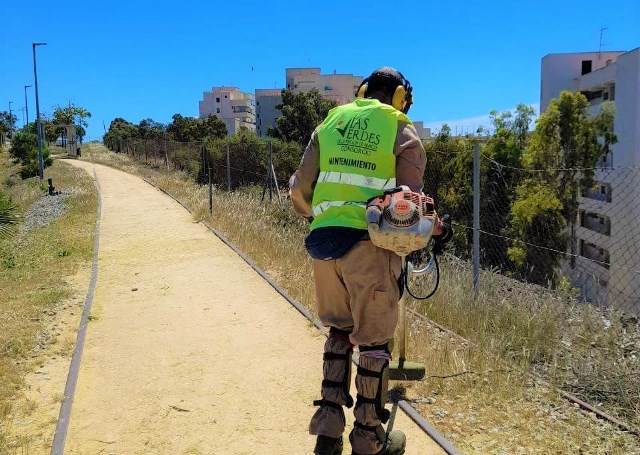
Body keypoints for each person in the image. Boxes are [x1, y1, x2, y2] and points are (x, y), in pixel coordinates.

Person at [289, 67, 451, 455]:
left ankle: (327, 431)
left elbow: (298, 190)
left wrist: (327, 214)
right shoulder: (399, 126)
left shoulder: (330, 121)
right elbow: (407, 206)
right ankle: (368, 438)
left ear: (362, 91)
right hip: (369, 245)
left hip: (323, 242)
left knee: (339, 331)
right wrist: (438, 230)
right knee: (374, 342)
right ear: (399, 97)